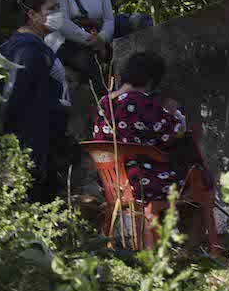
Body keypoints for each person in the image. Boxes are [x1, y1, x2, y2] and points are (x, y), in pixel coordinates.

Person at [90, 51, 215, 249]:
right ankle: (195, 247)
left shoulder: (103, 103)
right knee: (200, 180)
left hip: (113, 182)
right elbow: (173, 133)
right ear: (151, 79)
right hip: (143, 183)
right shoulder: (142, 102)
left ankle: (154, 245)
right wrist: (172, 112)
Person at [0, 0, 72, 202]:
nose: (58, 13)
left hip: (35, 146)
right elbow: (12, 100)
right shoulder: (28, 51)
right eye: (52, 8)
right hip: (29, 148)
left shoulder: (25, 46)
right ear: (32, 14)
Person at [47, 0, 115, 104]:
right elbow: (62, 23)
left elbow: (108, 19)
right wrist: (89, 39)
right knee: (93, 70)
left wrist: (102, 38)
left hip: (96, 40)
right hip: (65, 44)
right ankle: (108, 111)